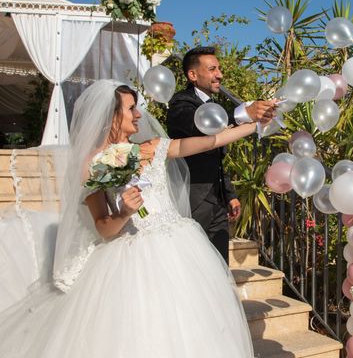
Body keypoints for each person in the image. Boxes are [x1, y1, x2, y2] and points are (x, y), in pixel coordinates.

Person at [0, 80, 256, 357]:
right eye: (131, 108)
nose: (138, 114)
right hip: (131, 256)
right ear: (111, 116)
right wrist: (123, 213)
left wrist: (256, 124)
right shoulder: (93, 165)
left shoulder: (153, 147)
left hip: (180, 247)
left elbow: (213, 140)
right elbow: (103, 228)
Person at [167, 46, 276, 263]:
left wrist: (230, 194)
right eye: (213, 69)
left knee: (220, 266)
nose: (220, 75)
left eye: (219, 69)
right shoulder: (180, 103)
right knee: (193, 265)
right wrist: (243, 113)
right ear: (193, 75)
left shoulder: (214, 105)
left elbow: (218, 157)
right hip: (192, 199)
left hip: (217, 202)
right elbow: (200, 129)